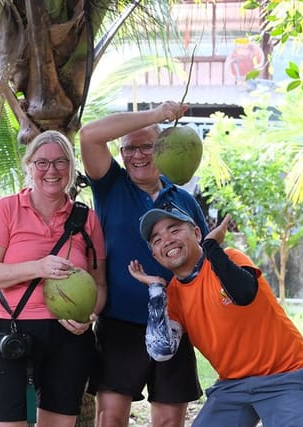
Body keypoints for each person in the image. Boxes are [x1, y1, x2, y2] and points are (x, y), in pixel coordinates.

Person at [129, 205, 303, 427]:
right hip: (233, 387)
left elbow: (244, 294)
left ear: (197, 233)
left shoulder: (230, 258)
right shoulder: (173, 294)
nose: (167, 240)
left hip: (285, 376)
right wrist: (155, 290)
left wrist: (211, 247)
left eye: (174, 230)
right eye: (157, 239)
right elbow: (161, 351)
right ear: (155, 254)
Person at [78, 101, 209, 426]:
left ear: (162, 148)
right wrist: (155, 116)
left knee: (168, 421)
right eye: (128, 149)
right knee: (110, 417)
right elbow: (90, 135)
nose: (137, 155)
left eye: (147, 146)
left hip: (173, 324)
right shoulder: (111, 186)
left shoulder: (183, 200)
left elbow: (204, 262)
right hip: (119, 323)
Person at [0, 130, 107, 427]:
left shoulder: (88, 220)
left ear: (71, 169)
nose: (52, 170)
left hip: (68, 336)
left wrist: (91, 315)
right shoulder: (5, 209)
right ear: (29, 166)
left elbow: (99, 283)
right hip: (12, 328)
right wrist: (39, 267)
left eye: (61, 162)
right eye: (42, 162)